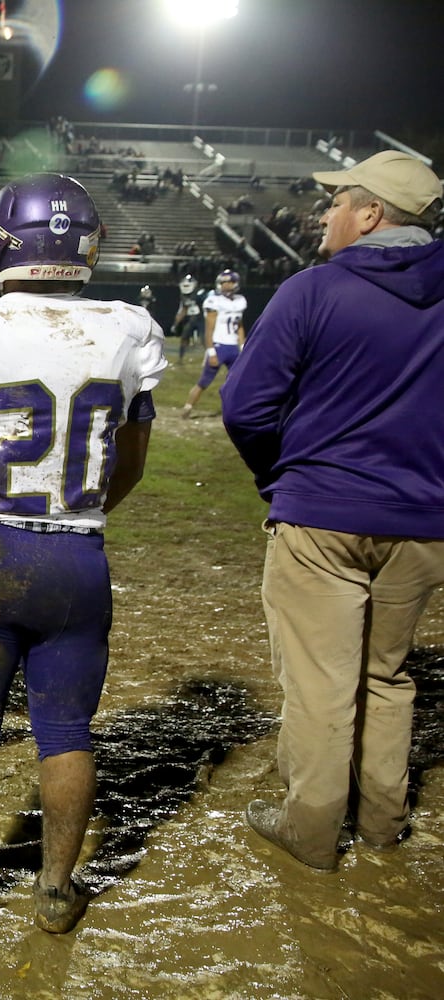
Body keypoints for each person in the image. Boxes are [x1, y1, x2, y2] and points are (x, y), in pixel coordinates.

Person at [0, 173, 164, 933]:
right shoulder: (129, 331)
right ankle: (55, 892)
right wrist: (70, 517)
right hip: (79, 558)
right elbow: (132, 466)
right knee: (66, 732)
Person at [220, 150, 444, 872]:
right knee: (386, 674)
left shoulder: (313, 289)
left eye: (338, 200)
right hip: (426, 520)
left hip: (323, 511)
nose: (325, 211)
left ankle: (311, 831)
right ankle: (382, 822)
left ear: (371, 213)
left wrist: (280, 478)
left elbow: (247, 407)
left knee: (321, 681)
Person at [181, 269, 245, 417]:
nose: (226, 285)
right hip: (219, 346)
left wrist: (242, 346)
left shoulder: (240, 301)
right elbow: (209, 330)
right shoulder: (214, 301)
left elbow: (239, 326)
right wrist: (211, 352)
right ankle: (187, 408)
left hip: (234, 347)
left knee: (239, 382)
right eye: (223, 282)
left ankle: (234, 410)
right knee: (204, 381)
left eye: (229, 282)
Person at [173, 274, 204, 365]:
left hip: (201, 319)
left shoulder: (200, 294)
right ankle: (181, 359)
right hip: (191, 319)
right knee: (184, 337)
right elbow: (184, 310)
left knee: (204, 339)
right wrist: (176, 323)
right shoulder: (184, 296)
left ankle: (209, 358)